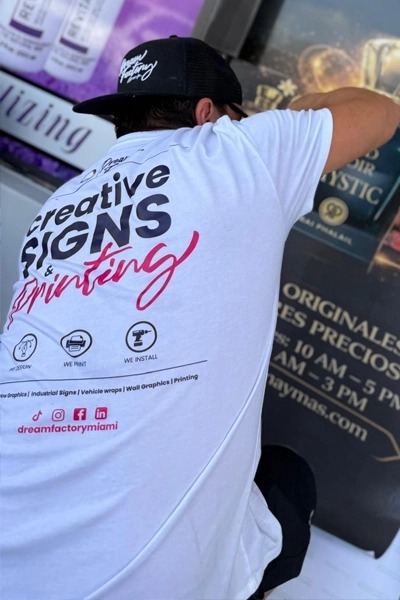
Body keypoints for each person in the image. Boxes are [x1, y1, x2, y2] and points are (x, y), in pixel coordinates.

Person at [0, 36, 399, 600]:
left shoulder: (56, 208)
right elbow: (380, 113)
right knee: (289, 480)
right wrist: (286, 116)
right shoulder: (237, 152)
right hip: (149, 585)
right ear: (209, 113)